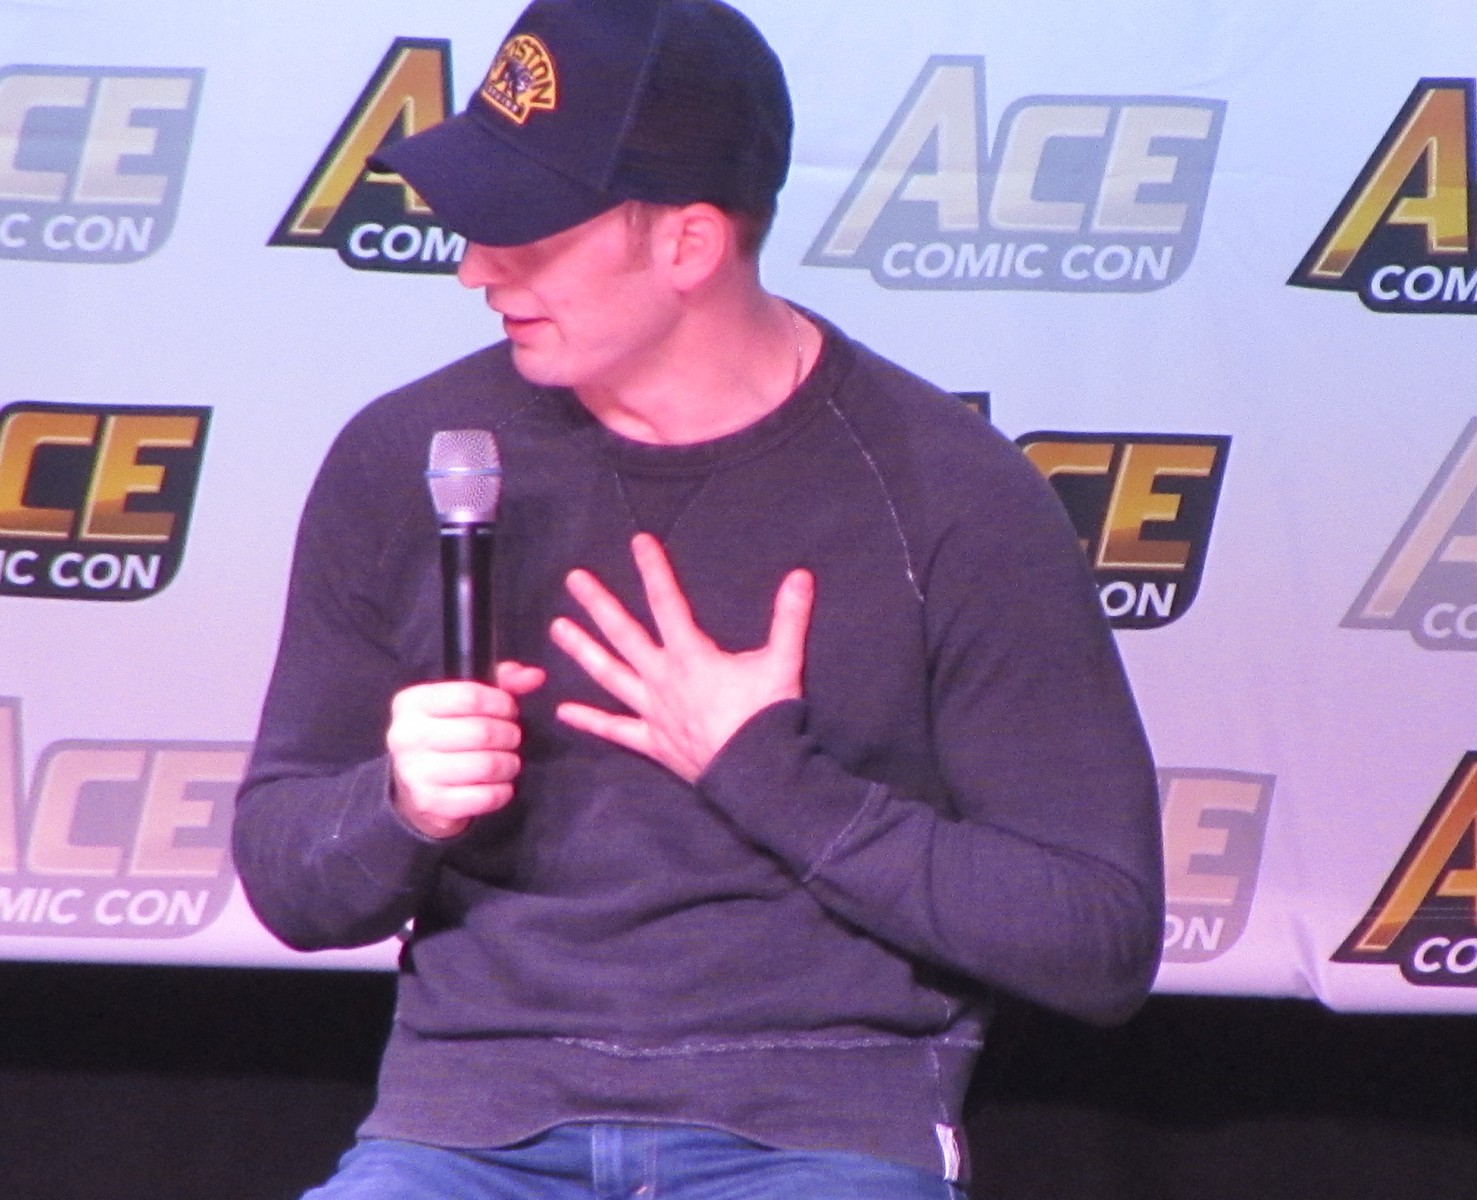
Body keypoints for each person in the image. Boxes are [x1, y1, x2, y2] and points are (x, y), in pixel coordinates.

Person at [232, 0, 1164, 1196]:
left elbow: (1096, 937)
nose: (474, 269)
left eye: (524, 231)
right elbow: (288, 877)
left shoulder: (949, 495)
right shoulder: (410, 459)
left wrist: (764, 772)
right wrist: (400, 805)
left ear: (686, 244)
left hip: (815, 1128)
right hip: (468, 1129)